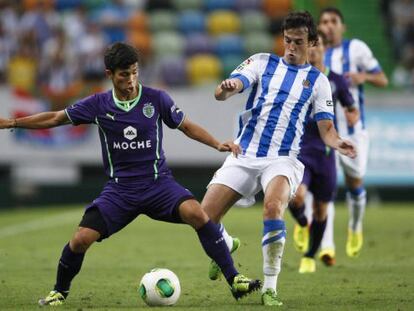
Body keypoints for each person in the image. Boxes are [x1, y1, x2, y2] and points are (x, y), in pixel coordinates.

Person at [0, 42, 261, 306]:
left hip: (159, 184)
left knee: (198, 214)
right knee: (80, 240)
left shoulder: (156, 99)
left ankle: (235, 280)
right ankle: (59, 291)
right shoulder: (97, 104)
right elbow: (56, 118)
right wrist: (12, 122)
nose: (131, 79)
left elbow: (186, 126)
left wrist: (217, 143)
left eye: (135, 72)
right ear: (109, 75)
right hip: (120, 191)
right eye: (124, 74)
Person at [201, 11, 357, 306]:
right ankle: (226, 243)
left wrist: (339, 143)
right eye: (287, 40)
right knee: (204, 217)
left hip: (283, 159)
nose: (291, 47)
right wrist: (228, 87)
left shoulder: (318, 81)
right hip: (244, 153)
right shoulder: (262, 62)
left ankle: (270, 287)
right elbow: (225, 90)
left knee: (273, 207)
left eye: (298, 42)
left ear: (311, 42)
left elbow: (327, 130)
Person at [318, 7, 388, 260]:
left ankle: (355, 226)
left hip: (354, 131)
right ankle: (326, 245)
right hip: (324, 131)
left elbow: (382, 79)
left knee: (355, 183)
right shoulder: (315, 53)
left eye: (333, 21)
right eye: (324, 21)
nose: (328, 25)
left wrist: (363, 76)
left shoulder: (356, 48)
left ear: (342, 26)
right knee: (325, 188)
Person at [288, 31, 358, 273]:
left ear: (325, 49)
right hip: (301, 150)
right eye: (311, 46)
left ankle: (309, 255)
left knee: (321, 208)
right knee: (296, 196)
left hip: (326, 153)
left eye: (319, 46)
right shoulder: (296, 76)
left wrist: (352, 119)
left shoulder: (336, 80)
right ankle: (301, 221)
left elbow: (351, 106)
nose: (315, 50)